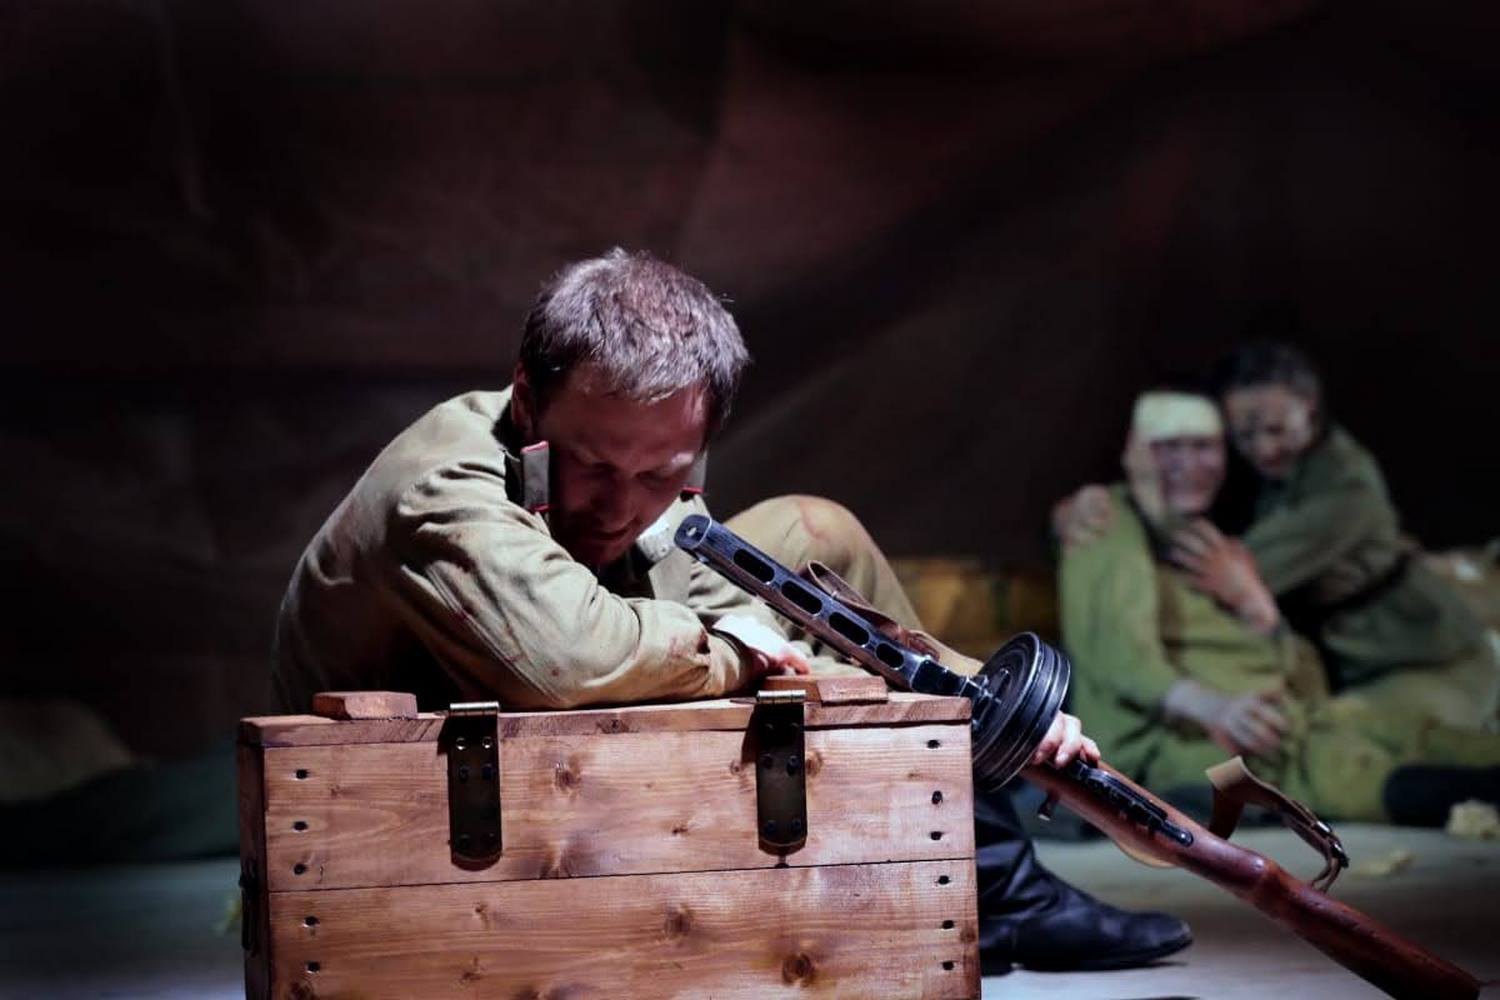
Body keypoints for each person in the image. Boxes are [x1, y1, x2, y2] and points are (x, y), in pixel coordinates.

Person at [274, 248, 1190, 972]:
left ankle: (994, 880)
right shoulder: (447, 486)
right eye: (592, 465)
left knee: (815, 537)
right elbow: (571, 660)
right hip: (430, 801)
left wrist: (979, 705)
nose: (620, 507)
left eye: (662, 474)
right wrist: (739, 655)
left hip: (585, 724)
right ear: (526, 396)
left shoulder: (643, 480)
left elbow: (734, 593)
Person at [1058, 388, 1500, 823]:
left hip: (1290, 718)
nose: (1188, 464)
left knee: (1405, 732)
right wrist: (1214, 707)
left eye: (1203, 447)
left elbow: (1301, 679)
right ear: (1136, 453)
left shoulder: (1202, 538)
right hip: (1176, 744)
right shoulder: (1107, 522)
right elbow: (1118, 653)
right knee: (1335, 772)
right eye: (1168, 447)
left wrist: (1261, 613)